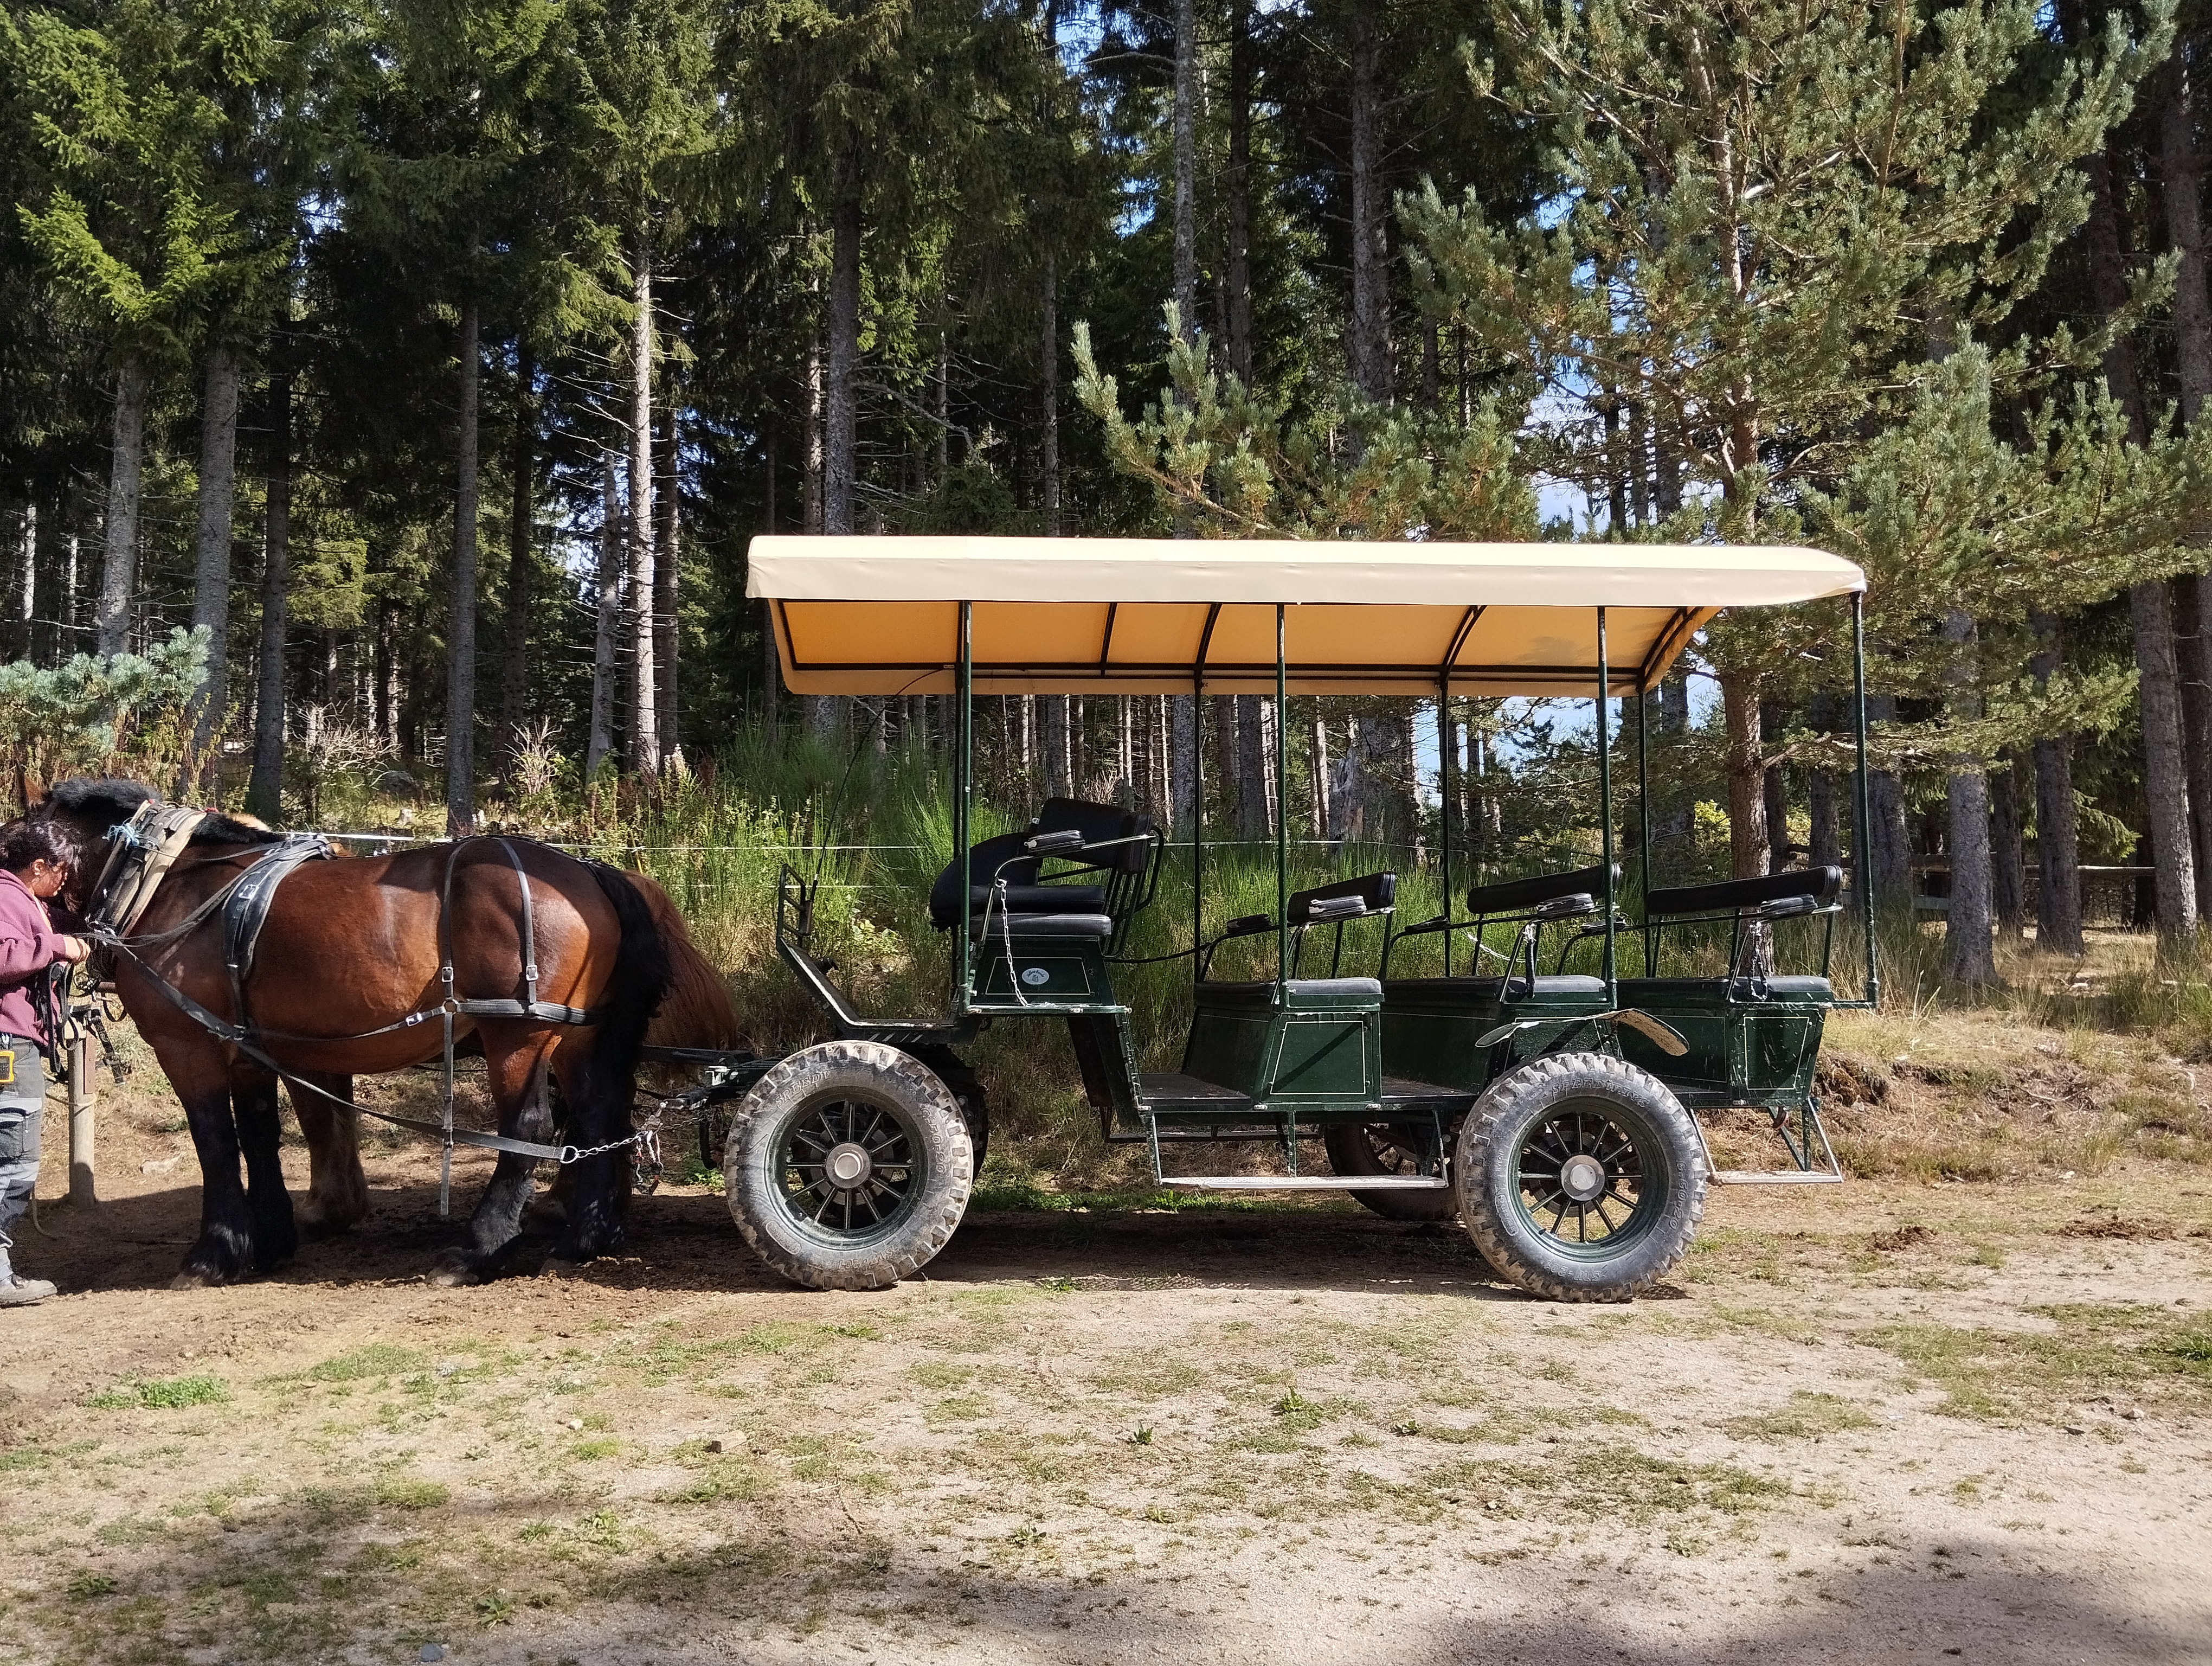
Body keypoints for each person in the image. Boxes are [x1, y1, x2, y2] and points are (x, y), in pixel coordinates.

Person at [0, 818, 92, 1307]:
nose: (65, 883)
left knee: (14, 1160)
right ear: (39, 865)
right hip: (6, 1046)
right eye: (61, 871)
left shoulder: (22, 898)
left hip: (16, 1040)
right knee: (12, 1162)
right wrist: (57, 946)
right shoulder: (4, 896)